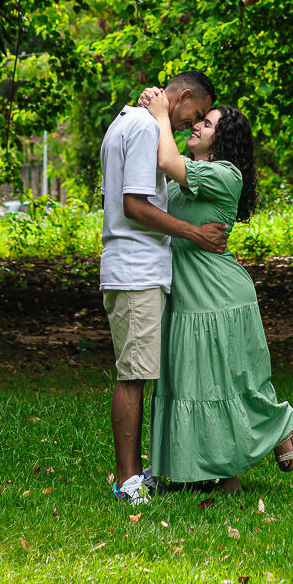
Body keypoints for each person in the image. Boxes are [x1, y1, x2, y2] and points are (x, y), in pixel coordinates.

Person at [140, 91, 293, 492]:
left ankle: (278, 424)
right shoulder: (186, 179)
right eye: (200, 120)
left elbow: (166, 160)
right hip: (187, 295)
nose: (196, 125)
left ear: (222, 141)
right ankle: (206, 474)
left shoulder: (226, 174)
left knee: (224, 384)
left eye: (207, 123)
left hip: (219, 296)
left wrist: (161, 113)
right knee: (195, 385)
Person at [99, 69, 227, 504]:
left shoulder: (132, 120)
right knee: (134, 376)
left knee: (141, 372)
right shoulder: (141, 127)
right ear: (184, 95)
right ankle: (128, 481)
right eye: (197, 112)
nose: (194, 123)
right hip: (135, 270)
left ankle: (141, 473)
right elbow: (134, 205)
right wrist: (194, 234)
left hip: (138, 268)